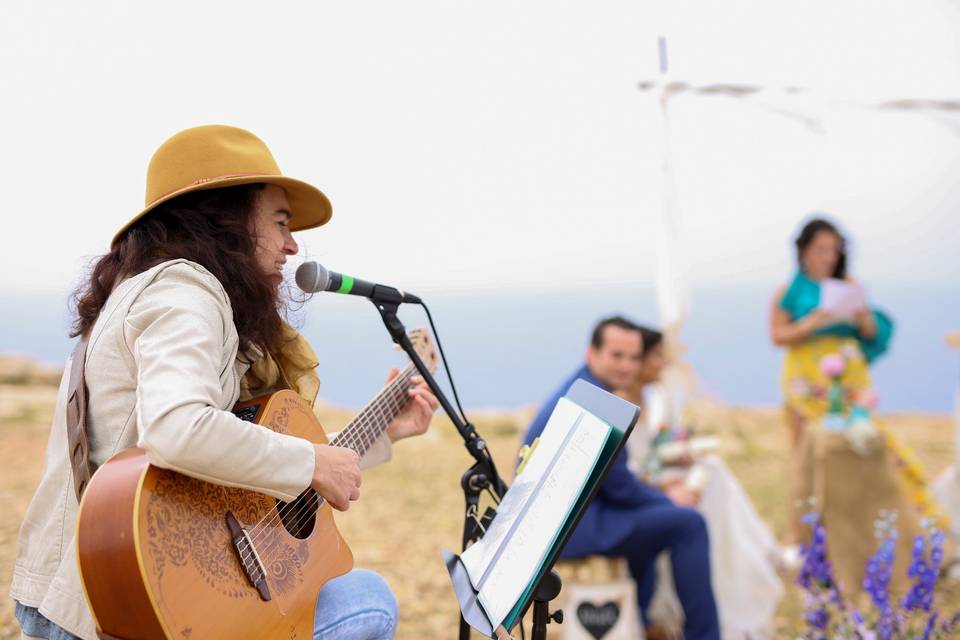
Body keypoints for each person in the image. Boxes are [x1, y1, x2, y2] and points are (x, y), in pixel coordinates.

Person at [10, 125, 439, 640]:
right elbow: (176, 428)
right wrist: (311, 461)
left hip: (104, 598)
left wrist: (384, 431)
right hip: (112, 610)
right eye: (280, 222)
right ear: (225, 220)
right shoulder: (186, 292)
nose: (293, 244)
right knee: (367, 598)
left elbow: (242, 477)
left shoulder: (150, 290)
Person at [521, 316, 720, 640]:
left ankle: (639, 622)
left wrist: (657, 496)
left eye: (633, 357)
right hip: (568, 528)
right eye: (617, 355)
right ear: (592, 353)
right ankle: (704, 635)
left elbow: (613, 483)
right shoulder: (596, 402)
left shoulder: (585, 387)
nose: (626, 366)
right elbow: (621, 489)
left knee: (657, 520)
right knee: (688, 524)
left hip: (574, 514)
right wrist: (669, 498)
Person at [622, 326, 783, 640]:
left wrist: (675, 455)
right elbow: (628, 472)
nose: (664, 363)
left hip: (648, 480)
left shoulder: (650, 396)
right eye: (656, 356)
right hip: (638, 493)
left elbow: (650, 452)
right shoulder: (623, 400)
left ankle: (745, 558)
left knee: (712, 469)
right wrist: (666, 488)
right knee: (694, 512)